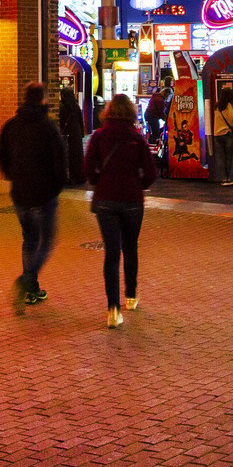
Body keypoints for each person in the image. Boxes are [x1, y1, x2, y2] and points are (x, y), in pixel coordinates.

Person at [85, 93, 158, 329]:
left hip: (106, 200)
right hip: (132, 201)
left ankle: (113, 309)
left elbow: (88, 168)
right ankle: (131, 295)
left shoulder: (98, 136)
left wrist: (100, 182)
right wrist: (138, 186)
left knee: (111, 254)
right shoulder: (136, 138)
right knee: (130, 247)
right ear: (130, 112)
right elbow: (150, 173)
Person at [0, 79, 67, 314]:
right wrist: (56, 187)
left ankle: (32, 289)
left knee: (29, 240)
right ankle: (26, 281)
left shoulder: (11, 125)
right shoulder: (48, 127)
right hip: (43, 195)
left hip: (20, 194)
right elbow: (60, 164)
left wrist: (13, 177)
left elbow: (2, 157)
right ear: (43, 99)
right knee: (47, 241)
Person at [211, 86, 233, 186]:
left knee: (220, 158)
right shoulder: (230, 106)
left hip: (217, 134)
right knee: (229, 157)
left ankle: (222, 177)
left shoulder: (217, 106)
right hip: (227, 134)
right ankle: (229, 178)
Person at [57, 80, 86, 187]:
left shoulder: (62, 107)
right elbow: (80, 121)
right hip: (76, 134)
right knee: (77, 156)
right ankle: (78, 176)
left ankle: (69, 178)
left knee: (67, 156)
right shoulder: (75, 106)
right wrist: (81, 133)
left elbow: (61, 121)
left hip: (67, 135)